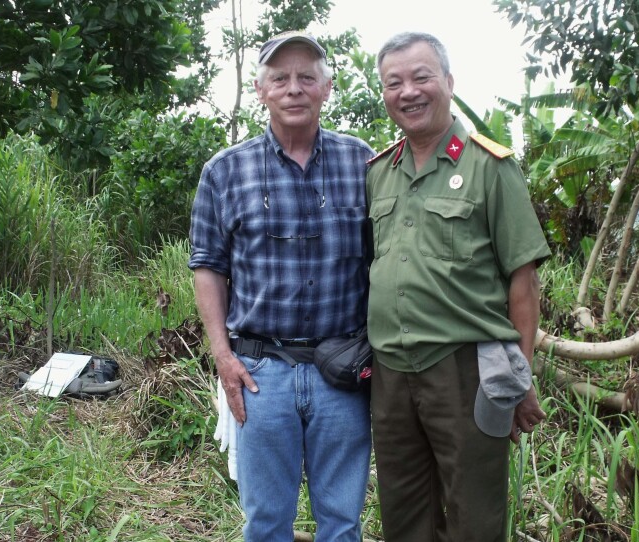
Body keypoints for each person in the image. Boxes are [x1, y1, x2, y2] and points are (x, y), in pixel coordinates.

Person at [188, 30, 374, 542]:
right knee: (266, 522)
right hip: (259, 373)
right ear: (260, 88)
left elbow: (389, 258)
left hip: (343, 373)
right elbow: (207, 266)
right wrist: (223, 357)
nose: (294, 88)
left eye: (306, 77)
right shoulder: (225, 171)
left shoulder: (364, 162)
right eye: (280, 78)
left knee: (343, 522)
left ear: (327, 89)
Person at [366, 32, 552, 542]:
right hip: (390, 372)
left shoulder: (490, 165)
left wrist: (521, 375)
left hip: (465, 370)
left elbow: (524, 281)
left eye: (421, 77)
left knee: (474, 517)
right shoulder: (379, 173)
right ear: (384, 94)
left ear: (448, 82)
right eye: (394, 82)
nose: (408, 91)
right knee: (403, 515)